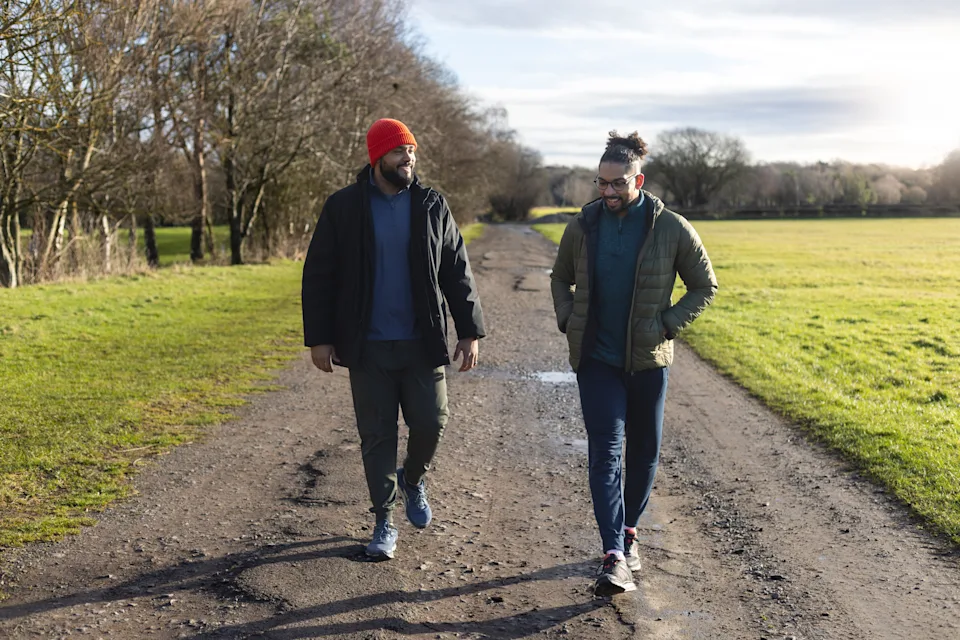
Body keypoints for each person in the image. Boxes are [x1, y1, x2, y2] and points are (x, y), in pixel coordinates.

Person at [302, 118, 485, 560]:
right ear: (378, 156)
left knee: (432, 421)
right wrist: (320, 338)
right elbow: (319, 275)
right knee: (377, 436)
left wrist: (469, 330)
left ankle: (413, 480)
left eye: (413, 151)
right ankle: (383, 521)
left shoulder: (431, 205)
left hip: (421, 341)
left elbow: (456, 271)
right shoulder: (344, 207)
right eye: (401, 151)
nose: (410, 158)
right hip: (367, 346)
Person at [550, 131, 717, 596]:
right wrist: (568, 318)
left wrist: (668, 324)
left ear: (637, 179)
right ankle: (613, 555)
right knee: (605, 452)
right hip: (597, 360)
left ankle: (629, 533)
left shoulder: (672, 228)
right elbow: (560, 277)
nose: (607, 192)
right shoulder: (583, 226)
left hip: (648, 360)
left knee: (643, 452)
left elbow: (705, 285)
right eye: (600, 183)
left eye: (617, 184)